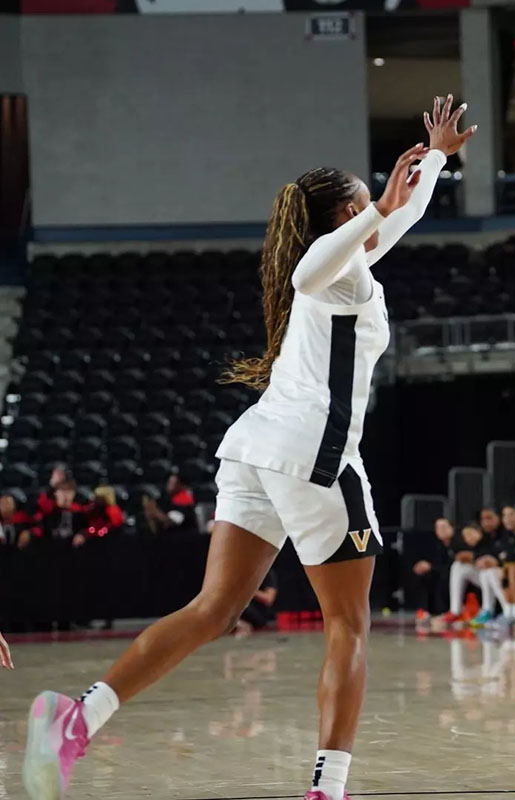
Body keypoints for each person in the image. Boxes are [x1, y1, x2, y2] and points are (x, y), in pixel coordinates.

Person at [21, 96, 474, 800]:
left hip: (256, 447)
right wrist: (380, 207)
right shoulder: (331, 272)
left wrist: (436, 158)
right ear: (344, 219)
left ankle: (77, 720)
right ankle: (329, 787)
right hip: (313, 456)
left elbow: (400, 218)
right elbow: (313, 266)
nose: (382, 205)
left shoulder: (351, 260)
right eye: (362, 202)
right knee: (349, 625)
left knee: (213, 610)